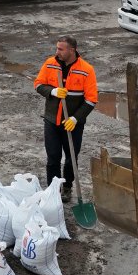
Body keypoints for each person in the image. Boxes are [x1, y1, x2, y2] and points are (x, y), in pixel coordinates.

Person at [33, 36, 98, 202]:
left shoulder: (86, 70)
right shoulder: (50, 64)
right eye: (57, 48)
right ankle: (53, 190)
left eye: (61, 49)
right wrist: (52, 91)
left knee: (71, 158)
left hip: (73, 124)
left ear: (72, 50)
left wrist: (76, 118)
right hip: (52, 121)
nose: (57, 52)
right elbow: (38, 84)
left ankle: (67, 187)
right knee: (53, 157)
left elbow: (91, 99)